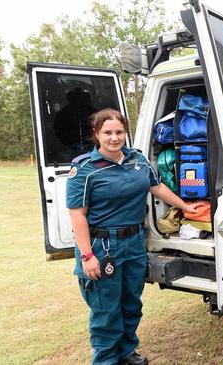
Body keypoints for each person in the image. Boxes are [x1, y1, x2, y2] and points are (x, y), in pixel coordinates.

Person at [66, 109, 201, 365]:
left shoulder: (136, 159)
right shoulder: (84, 169)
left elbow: (157, 186)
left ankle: (126, 353)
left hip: (134, 243)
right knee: (106, 311)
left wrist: (185, 206)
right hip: (102, 246)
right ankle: (106, 360)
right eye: (107, 132)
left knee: (131, 304)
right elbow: (77, 216)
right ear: (97, 134)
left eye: (119, 132)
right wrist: (87, 256)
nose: (114, 138)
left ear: (125, 132)